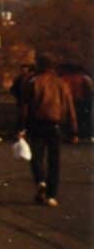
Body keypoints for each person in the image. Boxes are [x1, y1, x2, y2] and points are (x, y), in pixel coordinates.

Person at [19, 55, 78, 207]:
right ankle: (51, 195)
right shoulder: (61, 83)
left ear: (39, 65)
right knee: (54, 161)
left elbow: (24, 105)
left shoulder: (33, 81)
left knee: (36, 157)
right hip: (55, 125)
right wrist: (74, 130)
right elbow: (70, 107)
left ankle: (40, 180)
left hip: (37, 124)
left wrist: (22, 126)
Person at [59, 64, 92, 142]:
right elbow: (90, 90)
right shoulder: (84, 78)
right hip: (81, 101)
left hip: (69, 101)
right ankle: (82, 135)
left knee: (69, 119)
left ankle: (70, 135)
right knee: (82, 118)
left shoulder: (64, 78)